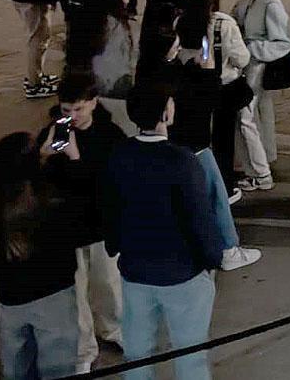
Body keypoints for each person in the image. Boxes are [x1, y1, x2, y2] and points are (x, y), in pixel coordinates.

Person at [103, 81, 222, 380]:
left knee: (137, 352)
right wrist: (212, 258)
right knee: (189, 352)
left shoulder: (119, 155)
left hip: (135, 272)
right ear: (166, 113)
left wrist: (115, 246)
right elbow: (200, 217)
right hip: (182, 273)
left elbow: (110, 208)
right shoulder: (182, 161)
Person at [144, 15, 262, 272]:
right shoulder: (173, 79)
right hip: (194, 143)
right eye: (175, 48)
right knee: (215, 194)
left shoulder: (152, 72)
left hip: (173, 144)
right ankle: (229, 249)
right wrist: (207, 72)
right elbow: (205, 103)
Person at [34, 72, 126, 371]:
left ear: (93, 103)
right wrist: (43, 158)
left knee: (108, 285)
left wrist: (75, 160)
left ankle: (113, 330)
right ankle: (84, 349)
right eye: (65, 110)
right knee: (76, 294)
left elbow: (105, 184)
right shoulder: (56, 134)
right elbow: (43, 186)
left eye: (79, 109)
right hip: (68, 229)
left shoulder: (109, 135)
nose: (71, 117)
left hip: (100, 226)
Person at [0, 131, 84, 380]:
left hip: (9, 298)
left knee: (16, 364)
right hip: (53, 296)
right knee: (58, 366)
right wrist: (73, 159)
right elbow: (82, 218)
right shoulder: (50, 204)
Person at [182, 0, 251, 201]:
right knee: (224, 139)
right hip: (224, 87)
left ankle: (195, 180)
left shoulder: (181, 22)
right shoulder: (225, 24)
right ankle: (225, 185)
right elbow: (242, 59)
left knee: (197, 136)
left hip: (194, 88)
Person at [232, 0, 290, 192]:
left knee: (246, 116)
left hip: (256, 64)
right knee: (258, 112)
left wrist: (249, 49)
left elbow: (282, 42)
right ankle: (263, 158)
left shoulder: (269, 3)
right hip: (253, 62)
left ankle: (259, 172)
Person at [64, 0, 136, 134]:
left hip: (93, 92)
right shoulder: (114, 27)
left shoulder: (89, 20)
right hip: (111, 93)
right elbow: (115, 67)